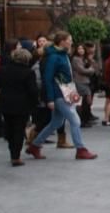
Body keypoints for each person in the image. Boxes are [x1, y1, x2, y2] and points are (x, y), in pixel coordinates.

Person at [25, 32, 97, 161]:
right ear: (62, 41)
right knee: (75, 120)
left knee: (56, 122)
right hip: (60, 93)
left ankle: (35, 145)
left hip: (65, 91)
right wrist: (50, 99)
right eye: (69, 40)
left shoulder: (61, 55)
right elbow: (48, 78)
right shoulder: (54, 57)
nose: (71, 42)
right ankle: (80, 149)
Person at [0, 47, 39, 166]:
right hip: (21, 104)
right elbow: (32, 90)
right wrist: (35, 103)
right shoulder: (28, 72)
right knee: (19, 130)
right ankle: (15, 156)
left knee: (9, 127)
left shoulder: (3, 70)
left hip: (5, 102)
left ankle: (12, 151)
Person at [72, 43, 97, 128]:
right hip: (79, 81)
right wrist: (90, 70)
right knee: (84, 100)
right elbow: (82, 70)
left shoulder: (84, 59)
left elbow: (94, 66)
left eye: (82, 49)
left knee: (86, 101)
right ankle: (81, 120)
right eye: (79, 49)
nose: (81, 50)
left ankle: (85, 119)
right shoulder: (76, 59)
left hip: (86, 81)